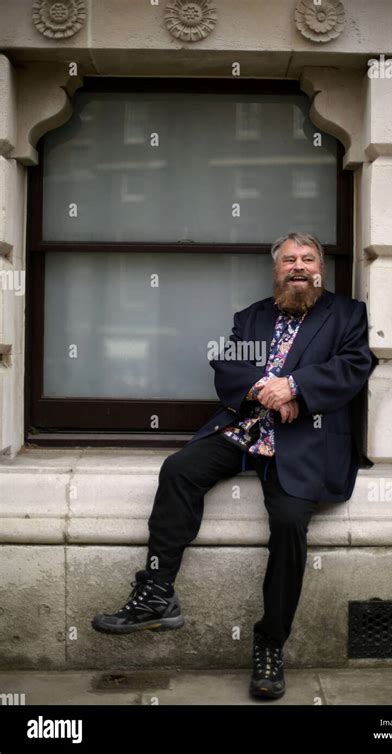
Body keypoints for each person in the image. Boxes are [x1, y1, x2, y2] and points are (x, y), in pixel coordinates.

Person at [91, 231, 377, 700]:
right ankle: (157, 592)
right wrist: (267, 388)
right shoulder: (252, 316)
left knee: (288, 524)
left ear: (321, 268)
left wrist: (297, 389)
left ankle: (270, 643)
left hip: (306, 439)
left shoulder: (347, 314)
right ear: (276, 269)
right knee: (179, 469)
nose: (298, 266)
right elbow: (228, 366)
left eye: (307, 258)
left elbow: (352, 366)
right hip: (246, 431)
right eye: (289, 259)